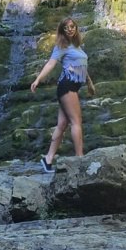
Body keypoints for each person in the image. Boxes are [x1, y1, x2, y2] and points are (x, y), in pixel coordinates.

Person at [31, 16, 96, 172]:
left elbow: (82, 66)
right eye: (66, 27)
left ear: (76, 28)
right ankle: (80, 158)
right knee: (76, 122)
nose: (70, 29)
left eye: (72, 26)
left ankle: (48, 159)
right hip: (67, 86)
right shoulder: (61, 46)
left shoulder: (77, 46)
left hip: (73, 86)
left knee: (62, 125)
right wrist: (38, 79)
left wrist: (89, 83)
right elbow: (51, 64)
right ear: (62, 30)